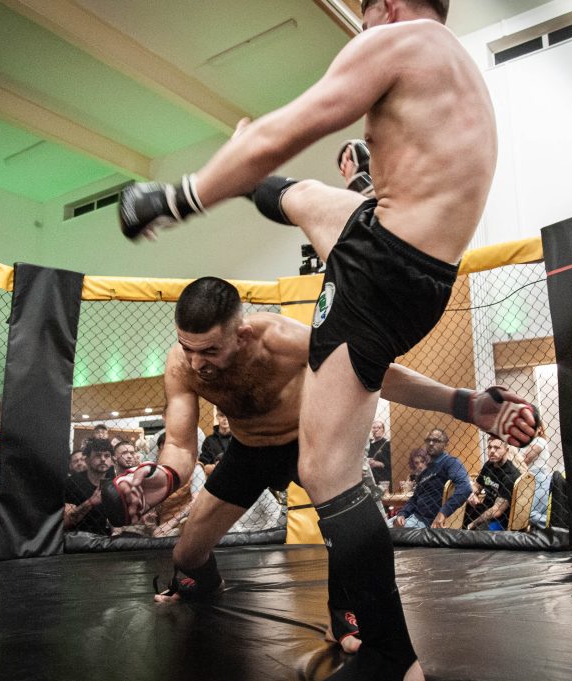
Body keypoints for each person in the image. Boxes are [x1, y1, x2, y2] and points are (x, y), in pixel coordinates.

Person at [117, 1, 539, 674]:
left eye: (366, 13)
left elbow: (289, 126)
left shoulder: (398, 39)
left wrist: (176, 199)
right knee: (304, 197)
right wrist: (466, 403)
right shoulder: (456, 70)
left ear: (389, 7)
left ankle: (391, 654)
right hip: (414, 261)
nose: (364, 25)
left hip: (383, 261)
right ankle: (276, 184)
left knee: (326, 469)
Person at [102, 277, 536, 664]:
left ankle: (344, 611)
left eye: (211, 350)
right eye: (188, 348)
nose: (198, 363)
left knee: (355, 529)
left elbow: (377, 372)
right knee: (186, 555)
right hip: (248, 451)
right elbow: (180, 442)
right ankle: (202, 582)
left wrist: (465, 403)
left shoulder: (285, 340)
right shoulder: (182, 363)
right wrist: (161, 479)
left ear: (243, 333)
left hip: (309, 442)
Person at [392, 428, 470, 529]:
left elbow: (465, 488)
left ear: (446, 444)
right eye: (428, 440)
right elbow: (415, 498)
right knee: (379, 527)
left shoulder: (450, 462)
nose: (431, 443)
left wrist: (443, 513)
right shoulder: (426, 468)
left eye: (436, 440)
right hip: (414, 517)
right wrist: (402, 513)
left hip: (428, 522)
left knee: (382, 532)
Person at [465, 437, 522, 531]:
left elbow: (497, 511)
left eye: (496, 448)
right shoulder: (489, 465)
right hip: (484, 508)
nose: (491, 451)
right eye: (489, 447)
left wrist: (472, 524)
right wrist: (472, 494)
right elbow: (476, 486)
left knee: (477, 534)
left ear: (506, 450)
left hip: (501, 519)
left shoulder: (510, 475)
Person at [63, 438, 114, 535]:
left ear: (111, 461)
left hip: (106, 540)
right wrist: (91, 502)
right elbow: (66, 522)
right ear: (87, 460)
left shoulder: (115, 482)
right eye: (98, 455)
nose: (103, 459)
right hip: (77, 539)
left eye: (107, 456)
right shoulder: (72, 482)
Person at [198, 409, 232, 474]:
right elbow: (203, 467)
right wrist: (217, 466)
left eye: (228, 415)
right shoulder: (209, 441)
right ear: (217, 417)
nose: (225, 419)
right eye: (222, 415)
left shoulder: (238, 440)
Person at [367, 419, 392, 486]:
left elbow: (391, 464)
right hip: (370, 478)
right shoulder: (368, 444)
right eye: (374, 428)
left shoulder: (387, 443)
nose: (376, 429)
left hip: (383, 478)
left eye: (379, 427)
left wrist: (378, 464)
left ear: (383, 430)